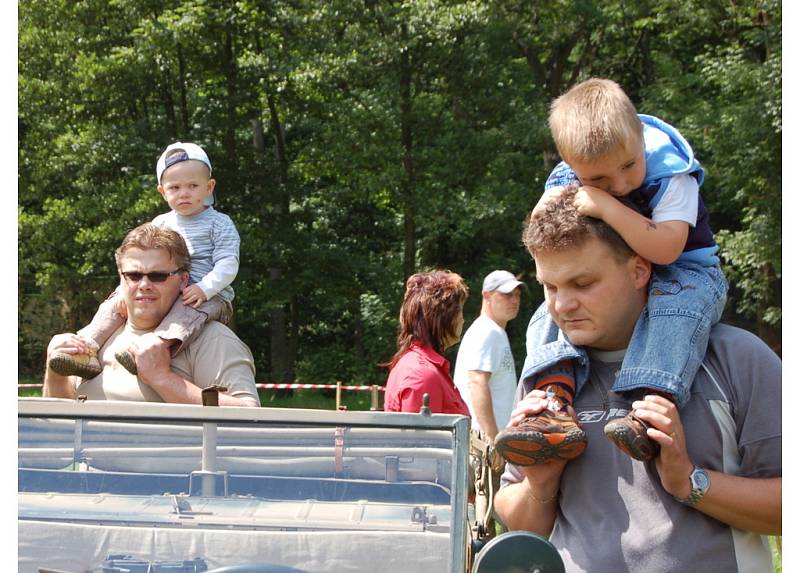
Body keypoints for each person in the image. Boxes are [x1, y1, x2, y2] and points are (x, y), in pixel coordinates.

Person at [493, 188, 780, 572]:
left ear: (639, 270)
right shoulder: (547, 376)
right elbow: (520, 522)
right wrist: (541, 484)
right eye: (551, 287)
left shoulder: (734, 357)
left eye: (583, 284)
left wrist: (690, 483)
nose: (562, 305)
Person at [495, 78, 728, 465]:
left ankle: (651, 408)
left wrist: (604, 204)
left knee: (674, 314)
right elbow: (542, 228)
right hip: (638, 270)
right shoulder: (572, 171)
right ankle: (553, 404)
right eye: (599, 179)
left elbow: (667, 250)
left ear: (640, 136)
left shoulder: (671, 172)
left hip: (687, 273)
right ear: (571, 163)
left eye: (629, 166)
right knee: (548, 314)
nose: (621, 184)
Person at [47, 142, 240, 378]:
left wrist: (205, 288)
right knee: (113, 305)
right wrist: (123, 290)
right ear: (162, 191)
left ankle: (151, 350)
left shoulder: (219, 223)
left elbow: (228, 264)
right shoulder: (160, 223)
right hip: (166, 288)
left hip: (208, 295)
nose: (184, 193)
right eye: (175, 187)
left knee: (185, 315)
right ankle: (86, 348)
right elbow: (138, 260)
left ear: (209, 187)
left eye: (193, 186)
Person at [43, 223, 260, 407]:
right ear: (121, 277)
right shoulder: (93, 340)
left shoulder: (213, 339)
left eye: (158, 276)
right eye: (134, 275)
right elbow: (59, 427)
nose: (144, 285)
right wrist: (55, 373)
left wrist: (162, 378)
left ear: (184, 280)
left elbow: (250, 419)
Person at [453, 270, 525, 443]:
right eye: (507, 294)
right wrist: (493, 438)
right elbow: (477, 382)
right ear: (487, 296)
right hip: (482, 443)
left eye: (517, 295)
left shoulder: (494, 331)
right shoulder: (488, 331)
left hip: (482, 441)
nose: (514, 300)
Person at [384, 271, 470, 415]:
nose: (463, 320)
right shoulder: (422, 375)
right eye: (460, 311)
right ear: (443, 316)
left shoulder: (419, 366)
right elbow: (420, 438)